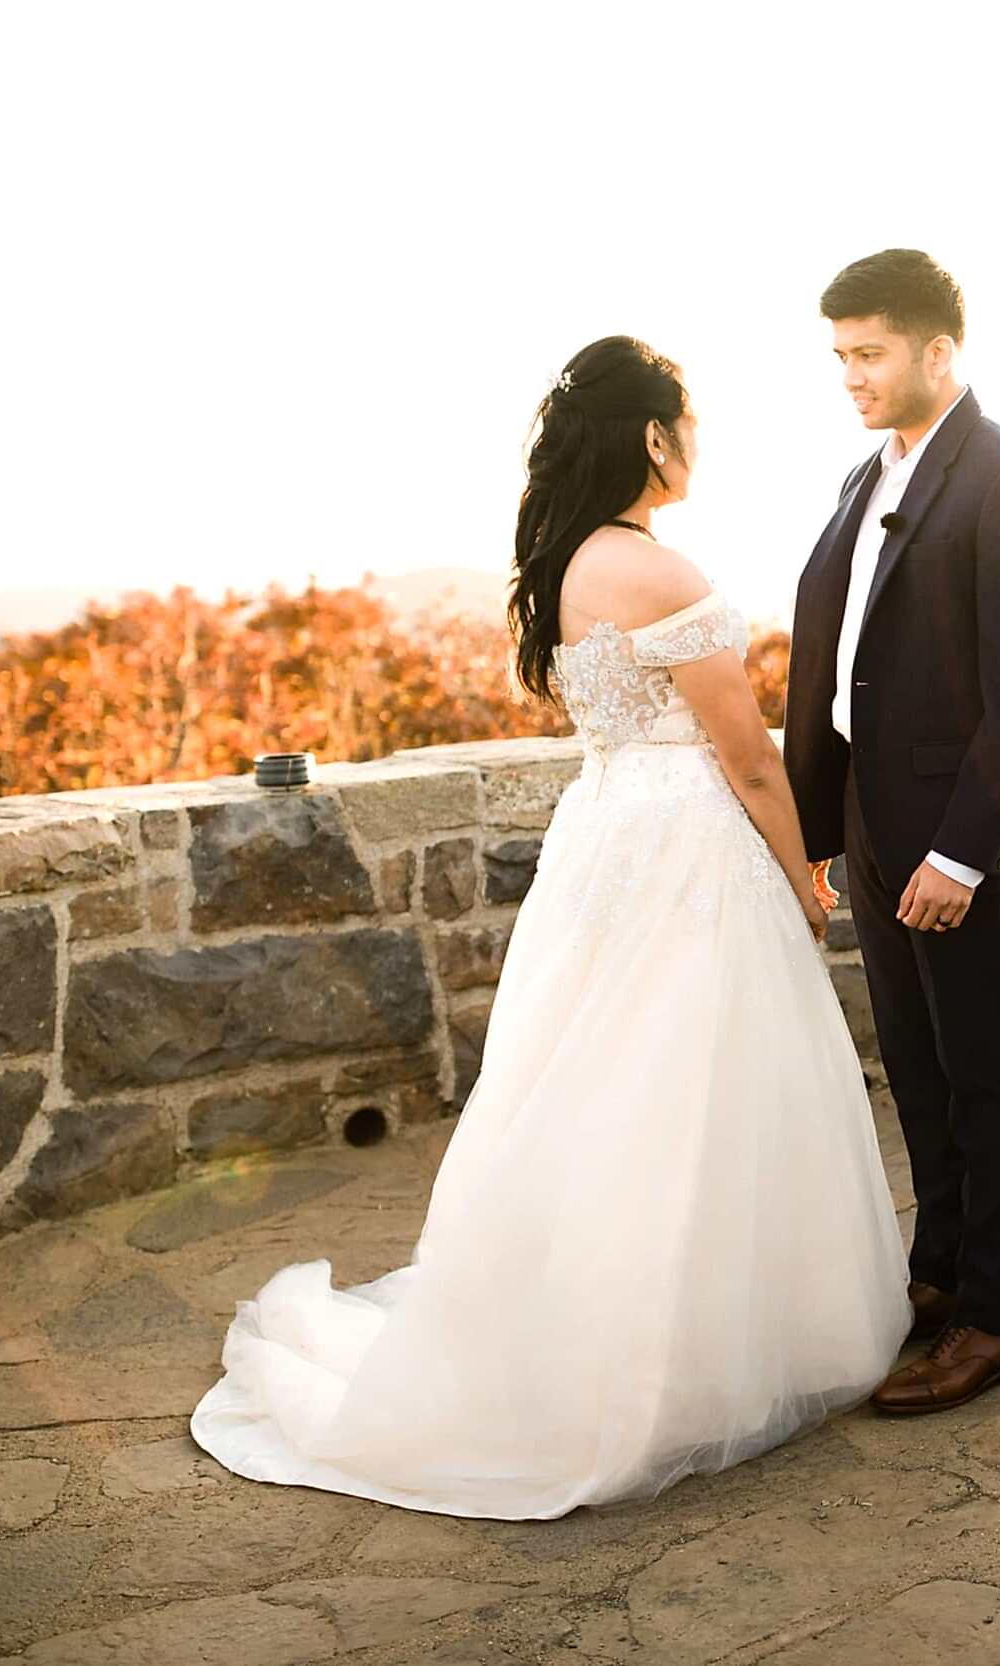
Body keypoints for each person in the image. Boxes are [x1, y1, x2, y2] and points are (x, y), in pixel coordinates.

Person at [190, 336, 912, 1519]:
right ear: (652, 436)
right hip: (687, 841)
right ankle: (695, 1353)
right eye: (692, 422)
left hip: (607, 834)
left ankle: (590, 1327)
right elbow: (750, 762)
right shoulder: (667, 577)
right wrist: (805, 879)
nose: (701, 444)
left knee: (595, 1082)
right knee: (694, 1088)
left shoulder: (569, 562)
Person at [782, 250, 1000, 1415]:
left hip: (954, 839)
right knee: (919, 1074)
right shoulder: (864, 475)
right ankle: (935, 1279)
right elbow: (842, 662)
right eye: (839, 356)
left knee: (986, 1077)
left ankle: (996, 1319)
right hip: (875, 824)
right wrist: (828, 822)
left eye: (868, 353)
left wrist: (960, 855)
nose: (850, 377)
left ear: (939, 350)